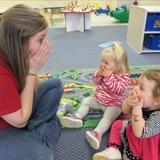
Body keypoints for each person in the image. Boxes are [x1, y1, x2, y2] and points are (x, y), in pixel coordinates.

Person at [0, 4, 63, 160]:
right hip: (7, 127)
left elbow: (33, 90)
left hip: (16, 113)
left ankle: (36, 130)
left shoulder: (14, 53)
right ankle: (44, 130)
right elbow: (20, 121)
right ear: (20, 40)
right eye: (40, 40)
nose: (44, 45)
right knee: (42, 153)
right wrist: (32, 71)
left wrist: (30, 67)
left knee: (55, 86)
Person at [61, 43, 130, 150]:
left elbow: (118, 90)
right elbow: (95, 81)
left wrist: (108, 77)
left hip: (114, 104)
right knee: (86, 101)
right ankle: (77, 117)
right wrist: (98, 75)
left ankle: (97, 134)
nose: (102, 64)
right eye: (102, 61)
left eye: (106, 62)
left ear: (118, 65)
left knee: (108, 118)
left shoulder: (124, 76)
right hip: (99, 100)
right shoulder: (103, 71)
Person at [93, 69, 160, 160]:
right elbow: (125, 111)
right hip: (134, 131)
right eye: (137, 83)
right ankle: (113, 149)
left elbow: (140, 132)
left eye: (141, 88)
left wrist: (136, 108)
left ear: (157, 101)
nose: (135, 88)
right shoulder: (146, 102)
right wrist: (128, 102)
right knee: (118, 124)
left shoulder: (158, 117)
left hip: (147, 147)